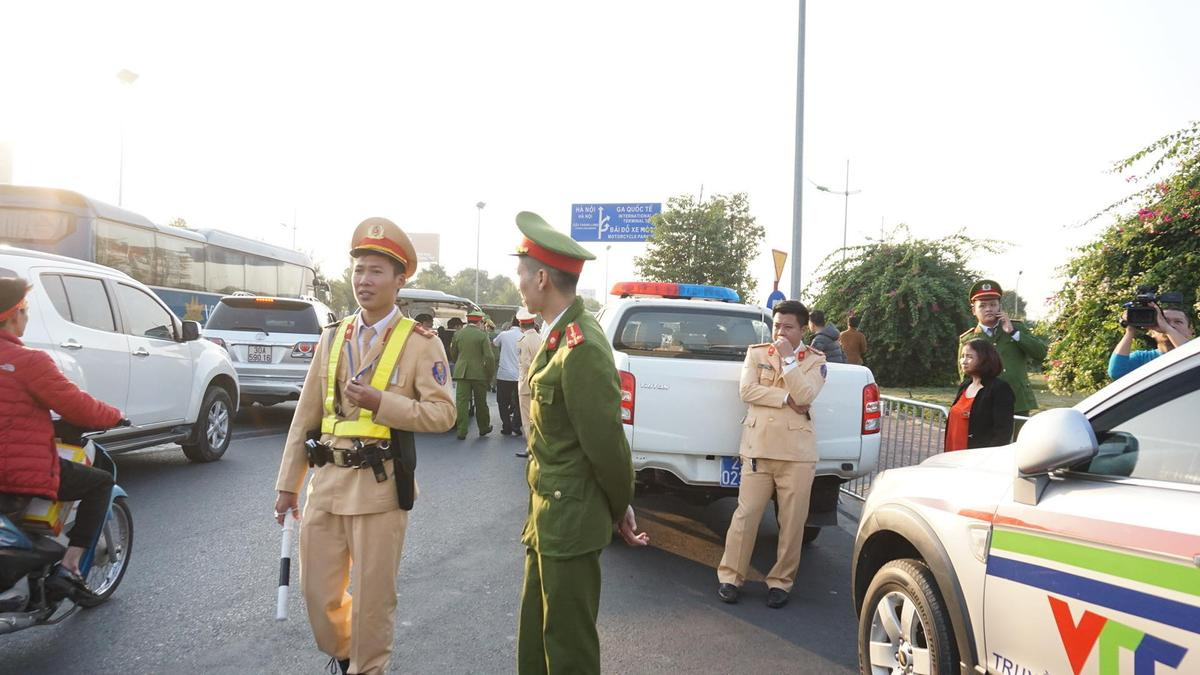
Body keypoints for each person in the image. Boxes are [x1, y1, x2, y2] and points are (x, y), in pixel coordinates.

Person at [272, 218, 456, 675]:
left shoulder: (420, 343)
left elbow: (443, 413)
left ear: (400, 280)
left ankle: (367, 668)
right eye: (358, 270)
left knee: (374, 600)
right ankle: (345, 653)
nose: (364, 281)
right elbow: (305, 416)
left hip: (379, 489)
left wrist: (384, 404)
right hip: (327, 485)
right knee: (318, 595)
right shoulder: (333, 336)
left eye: (376, 271)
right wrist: (288, 485)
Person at [512, 211, 647, 675]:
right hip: (548, 514)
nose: (519, 284)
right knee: (536, 635)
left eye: (522, 275)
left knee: (568, 647)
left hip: (570, 518)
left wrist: (619, 504)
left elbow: (606, 445)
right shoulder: (557, 336)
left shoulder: (582, 345)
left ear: (543, 278)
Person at [0, 277, 125, 600]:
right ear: (15, 315)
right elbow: (75, 404)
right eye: (26, 310)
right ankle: (70, 566)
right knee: (100, 482)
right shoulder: (30, 362)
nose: (27, 316)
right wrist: (113, 415)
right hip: (14, 472)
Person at [717, 300, 827, 610]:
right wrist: (785, 398)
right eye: (776, 325)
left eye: (788, 326)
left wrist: (790, 361)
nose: (780, 331)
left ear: (802, 329)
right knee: (746, 515)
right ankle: (730, 576)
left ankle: (781, 581)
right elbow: (747, 391)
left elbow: (807, 395)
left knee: (792, 522)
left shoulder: (815, 360)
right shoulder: (757, 353)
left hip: (797, 454)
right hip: (758, 447)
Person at [958, 280, 1047, 417]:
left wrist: (1013, 332)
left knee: (1018, 439)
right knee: (987, 439)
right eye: (982, 306)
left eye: (993, 304)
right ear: (974, 310)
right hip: (984, 402)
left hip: (1017, 401)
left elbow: (1041, 353)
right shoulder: (968, 339)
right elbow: (965, 377)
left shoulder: (1017, 329)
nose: (989, 309)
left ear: (1000, 307)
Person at [945, 339, 1015, 451]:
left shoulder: (999, 388)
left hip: (976, 458)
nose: (963, 361)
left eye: (969, 357)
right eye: (962, 356)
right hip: (952, 454)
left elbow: (1002, 432)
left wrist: (986, 458)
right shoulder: (965, 385)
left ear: (985, 359)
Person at [1108, 303, 1193, 380]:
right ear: (1151, 332)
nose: (1171, 325)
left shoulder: (1196, 350)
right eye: (1164, 321)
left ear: (1191, 331)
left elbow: (1193, 358)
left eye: (1178, 322)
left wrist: (1167, 329)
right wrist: (1130, 330)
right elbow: (1116, 372)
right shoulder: (1142, 359)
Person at [450, 310, 495, 440]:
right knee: (481, 402)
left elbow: (453, 351)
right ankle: (483, 428)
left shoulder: (458, 334)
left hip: (462, 372)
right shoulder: (482, 336)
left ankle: (461, 431)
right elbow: (489, 357)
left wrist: (459, 362)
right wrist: (489, 374)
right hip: (479, 373)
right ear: (480, 321)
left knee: (462, 403)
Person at [514, 309, 539, 458]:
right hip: (539, 383)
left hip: (526, 385)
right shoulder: (541, 338)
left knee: (527, 419)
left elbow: (525, 364)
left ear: (520, 324)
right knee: (537, 418)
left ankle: (531, 449)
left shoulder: (523, 341)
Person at [493, 320, 524, 436]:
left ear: (511, 324)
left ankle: (506, 426)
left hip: (504, 375)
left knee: (502, 402)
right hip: (519, 375)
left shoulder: (504, 334)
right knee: (519, 402)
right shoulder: (524, 336)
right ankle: (516, 425)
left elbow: (495, 343)